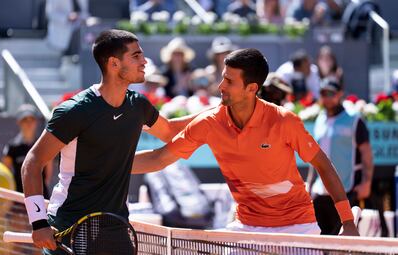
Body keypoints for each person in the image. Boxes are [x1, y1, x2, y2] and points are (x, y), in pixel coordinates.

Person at [132, 48, 359, 236]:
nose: (221, 86)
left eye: (229, 81)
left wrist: (347, 221)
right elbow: (160, 157)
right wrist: (105, 163)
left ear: (252, 88)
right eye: (223, 77)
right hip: (247, 228)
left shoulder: (284, 121)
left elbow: (323, 165)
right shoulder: (210, 122)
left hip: (298, 227)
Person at [21, 29, 202, 254]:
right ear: (114, 64)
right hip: (69, 226)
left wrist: (219, 114)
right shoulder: (75, 110)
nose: (144, 61)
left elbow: (171, 132)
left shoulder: (138, 106)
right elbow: (33, 161)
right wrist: (38, 223)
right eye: (136, 56)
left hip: (116, 227)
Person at [308, 78, 373, 235]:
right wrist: (309, 184)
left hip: (346, 191)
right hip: (321, 192)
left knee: (343, 242)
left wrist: (366, 182)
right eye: (323, 93)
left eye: (331, 93)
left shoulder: (354, 119)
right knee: (320, 241)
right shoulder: (320, 119)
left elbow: (366, 153)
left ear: (340, 94)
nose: (327, 97)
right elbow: (313, 155)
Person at [2, 104, 52, 198]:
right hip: (19, 196)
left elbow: (48, 172)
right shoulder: (12, 146)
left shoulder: (43, 145)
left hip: (41, 196)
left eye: (31, 119)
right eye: (25, 120)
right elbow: (5, 170)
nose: (29, 123)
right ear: (19, 122)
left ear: (36, 122)